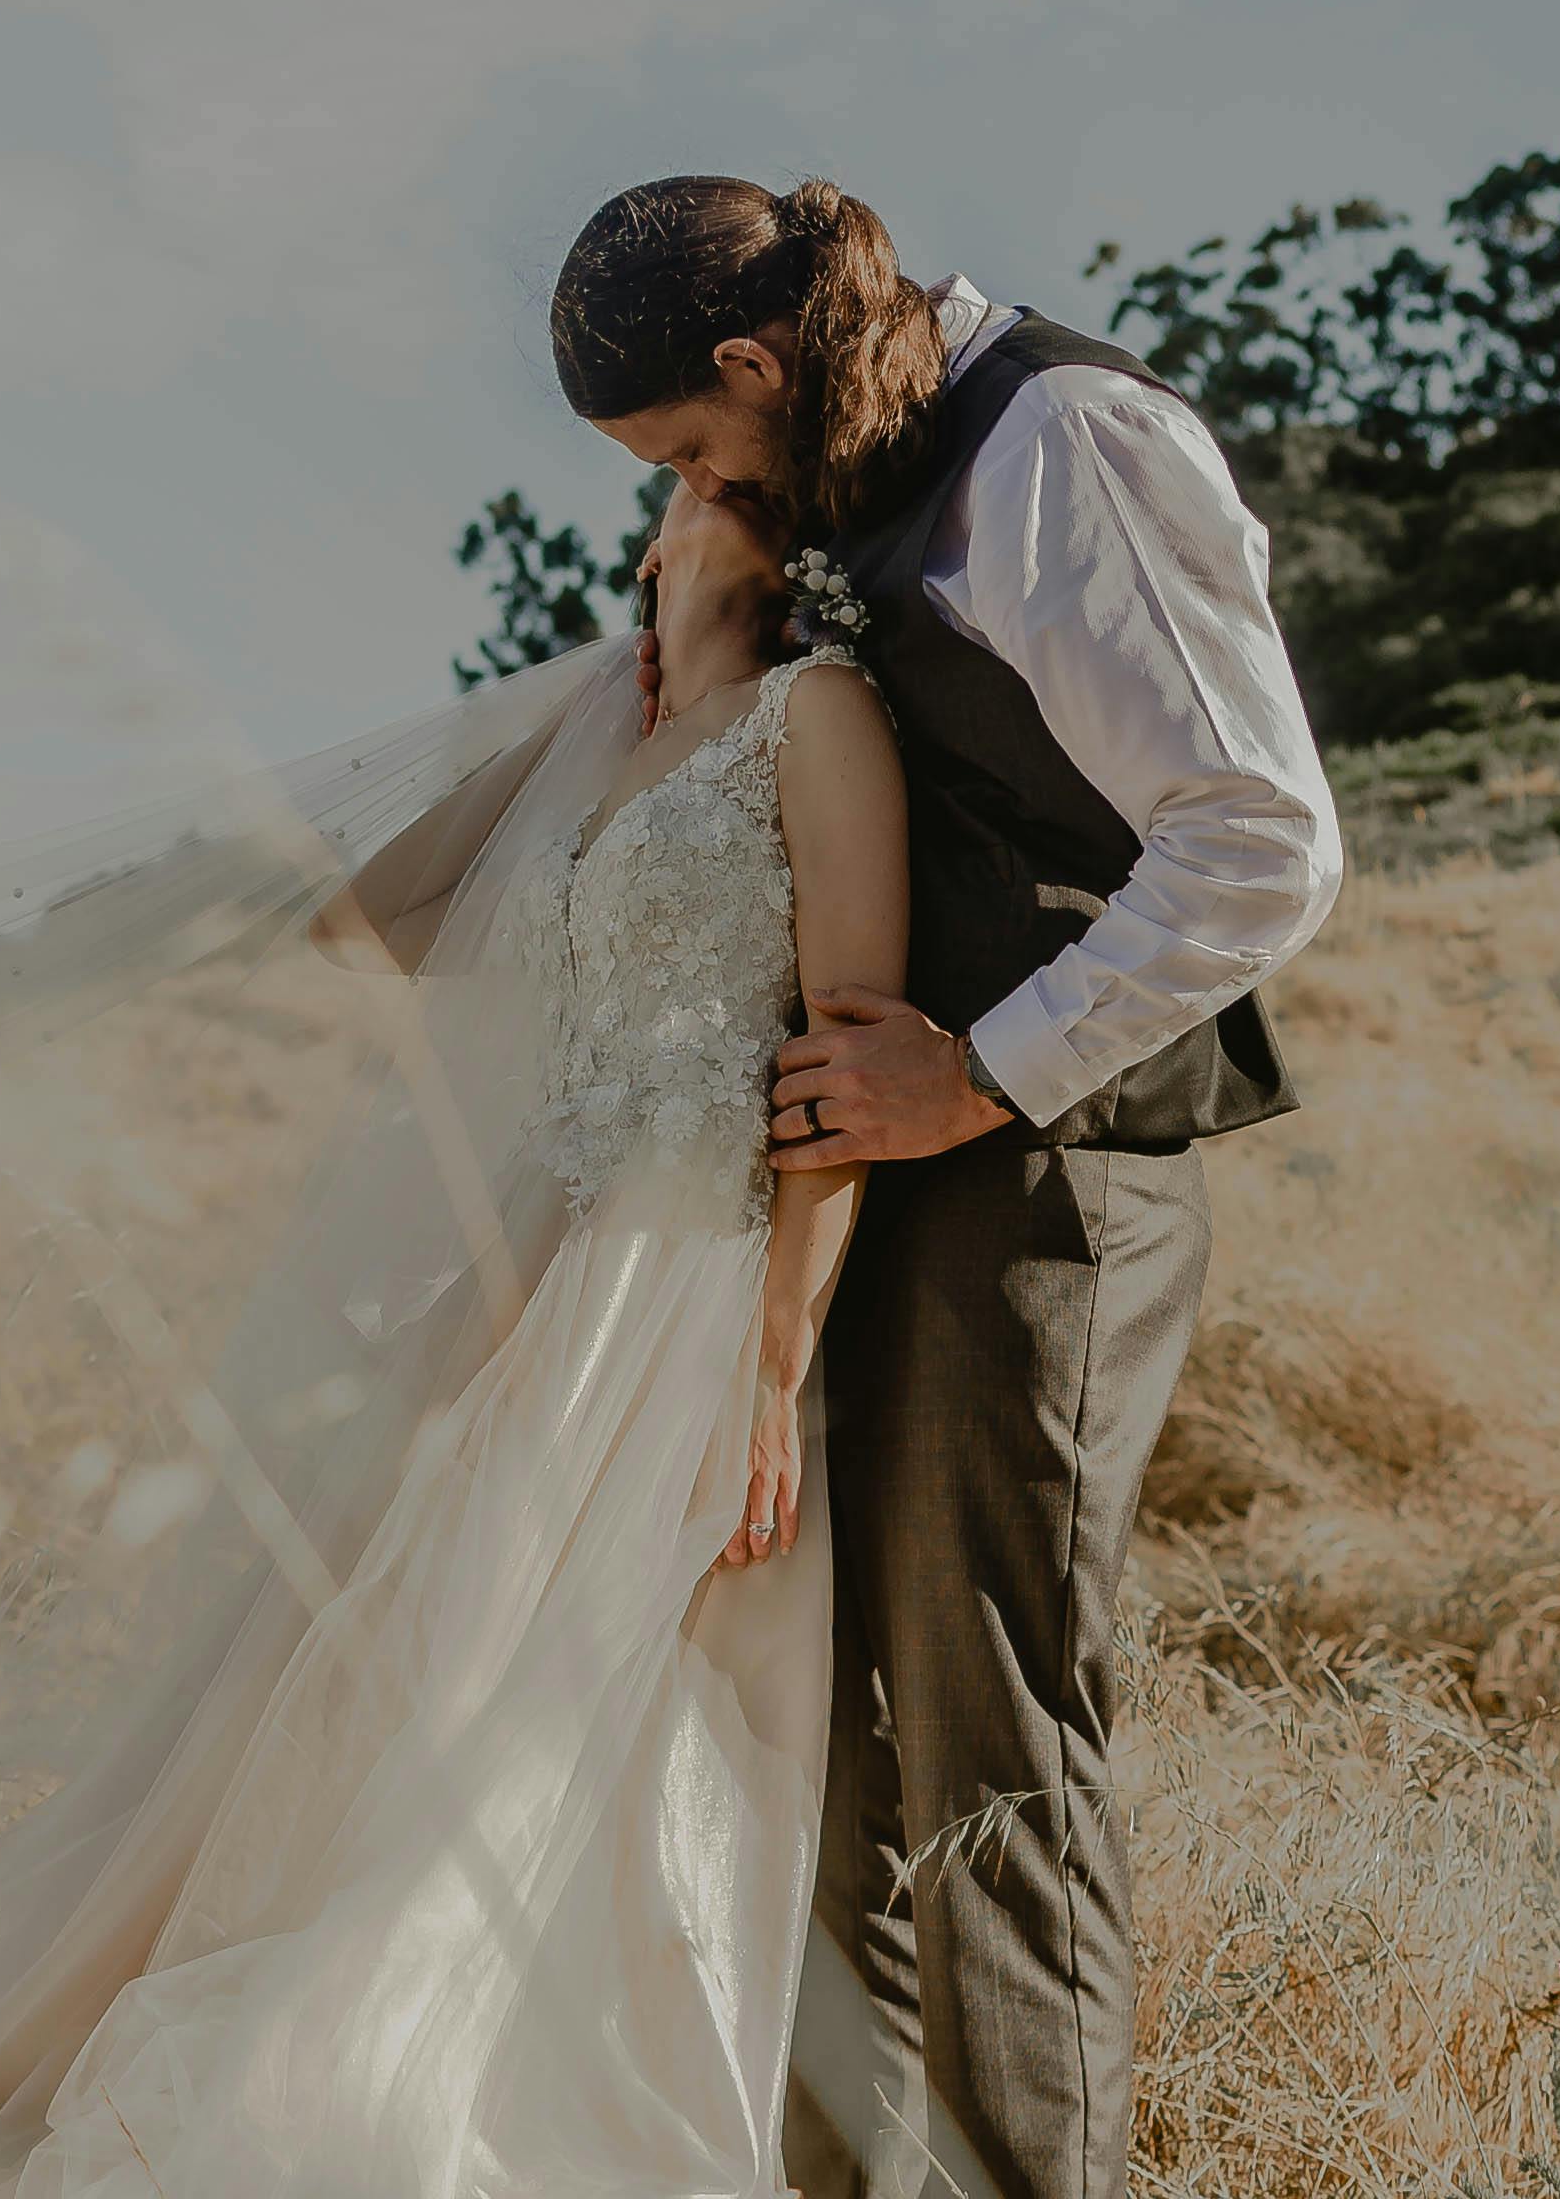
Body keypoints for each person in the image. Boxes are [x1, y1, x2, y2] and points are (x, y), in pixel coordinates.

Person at [0, 473, 907, 2197]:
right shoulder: (609, 744)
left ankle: (398, 2102)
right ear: (644, 537)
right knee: (392, 1694)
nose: (710, 480)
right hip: (538, 1281)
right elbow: (361, 918)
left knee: (554, 1713)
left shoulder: (822, 716)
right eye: (679, 476)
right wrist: (568, 726)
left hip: (689, 1287)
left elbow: (853, 1061)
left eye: (739, 466)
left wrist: (780, 1359)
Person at [553, 176, 1344, 2199]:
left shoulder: (1069, 446)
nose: (701, 490)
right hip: (888, 1182)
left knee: (996, 1741)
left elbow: (1261, 841)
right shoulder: (860, 481)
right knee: (824, 1735)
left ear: (752, 364)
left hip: (1054, 1183)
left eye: (688, 451)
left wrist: (975, 1074)